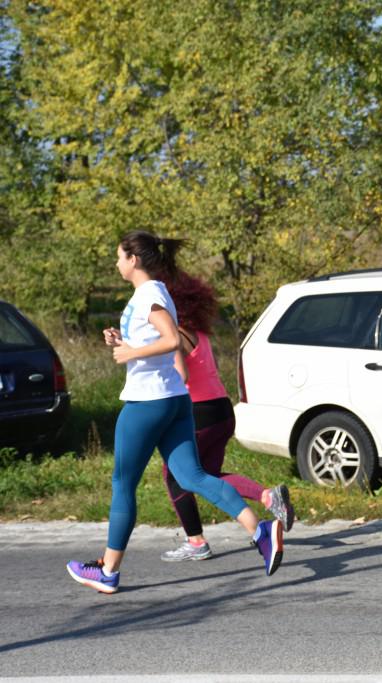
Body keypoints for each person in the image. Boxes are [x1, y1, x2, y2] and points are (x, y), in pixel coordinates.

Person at [66, 231, 283, 594]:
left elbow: (171, 340)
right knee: (191, 476)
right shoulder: (157, 292)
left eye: (119, 257)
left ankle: (108, 571)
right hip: (176, 400)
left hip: (146, 403)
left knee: (123, 485)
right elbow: (162, 341)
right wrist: (124, 343)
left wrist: (131, 354)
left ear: (133, 259)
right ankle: (259, 531)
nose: (116, 263)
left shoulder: (149, 294)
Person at [157, 270, 295, 562]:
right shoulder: (201, 333)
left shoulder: (176, 336)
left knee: (174, 476)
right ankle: (268, 496)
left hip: (197, 413)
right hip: (221, 409)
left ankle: (196, 542)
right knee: (207, 476)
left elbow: (179, 375)